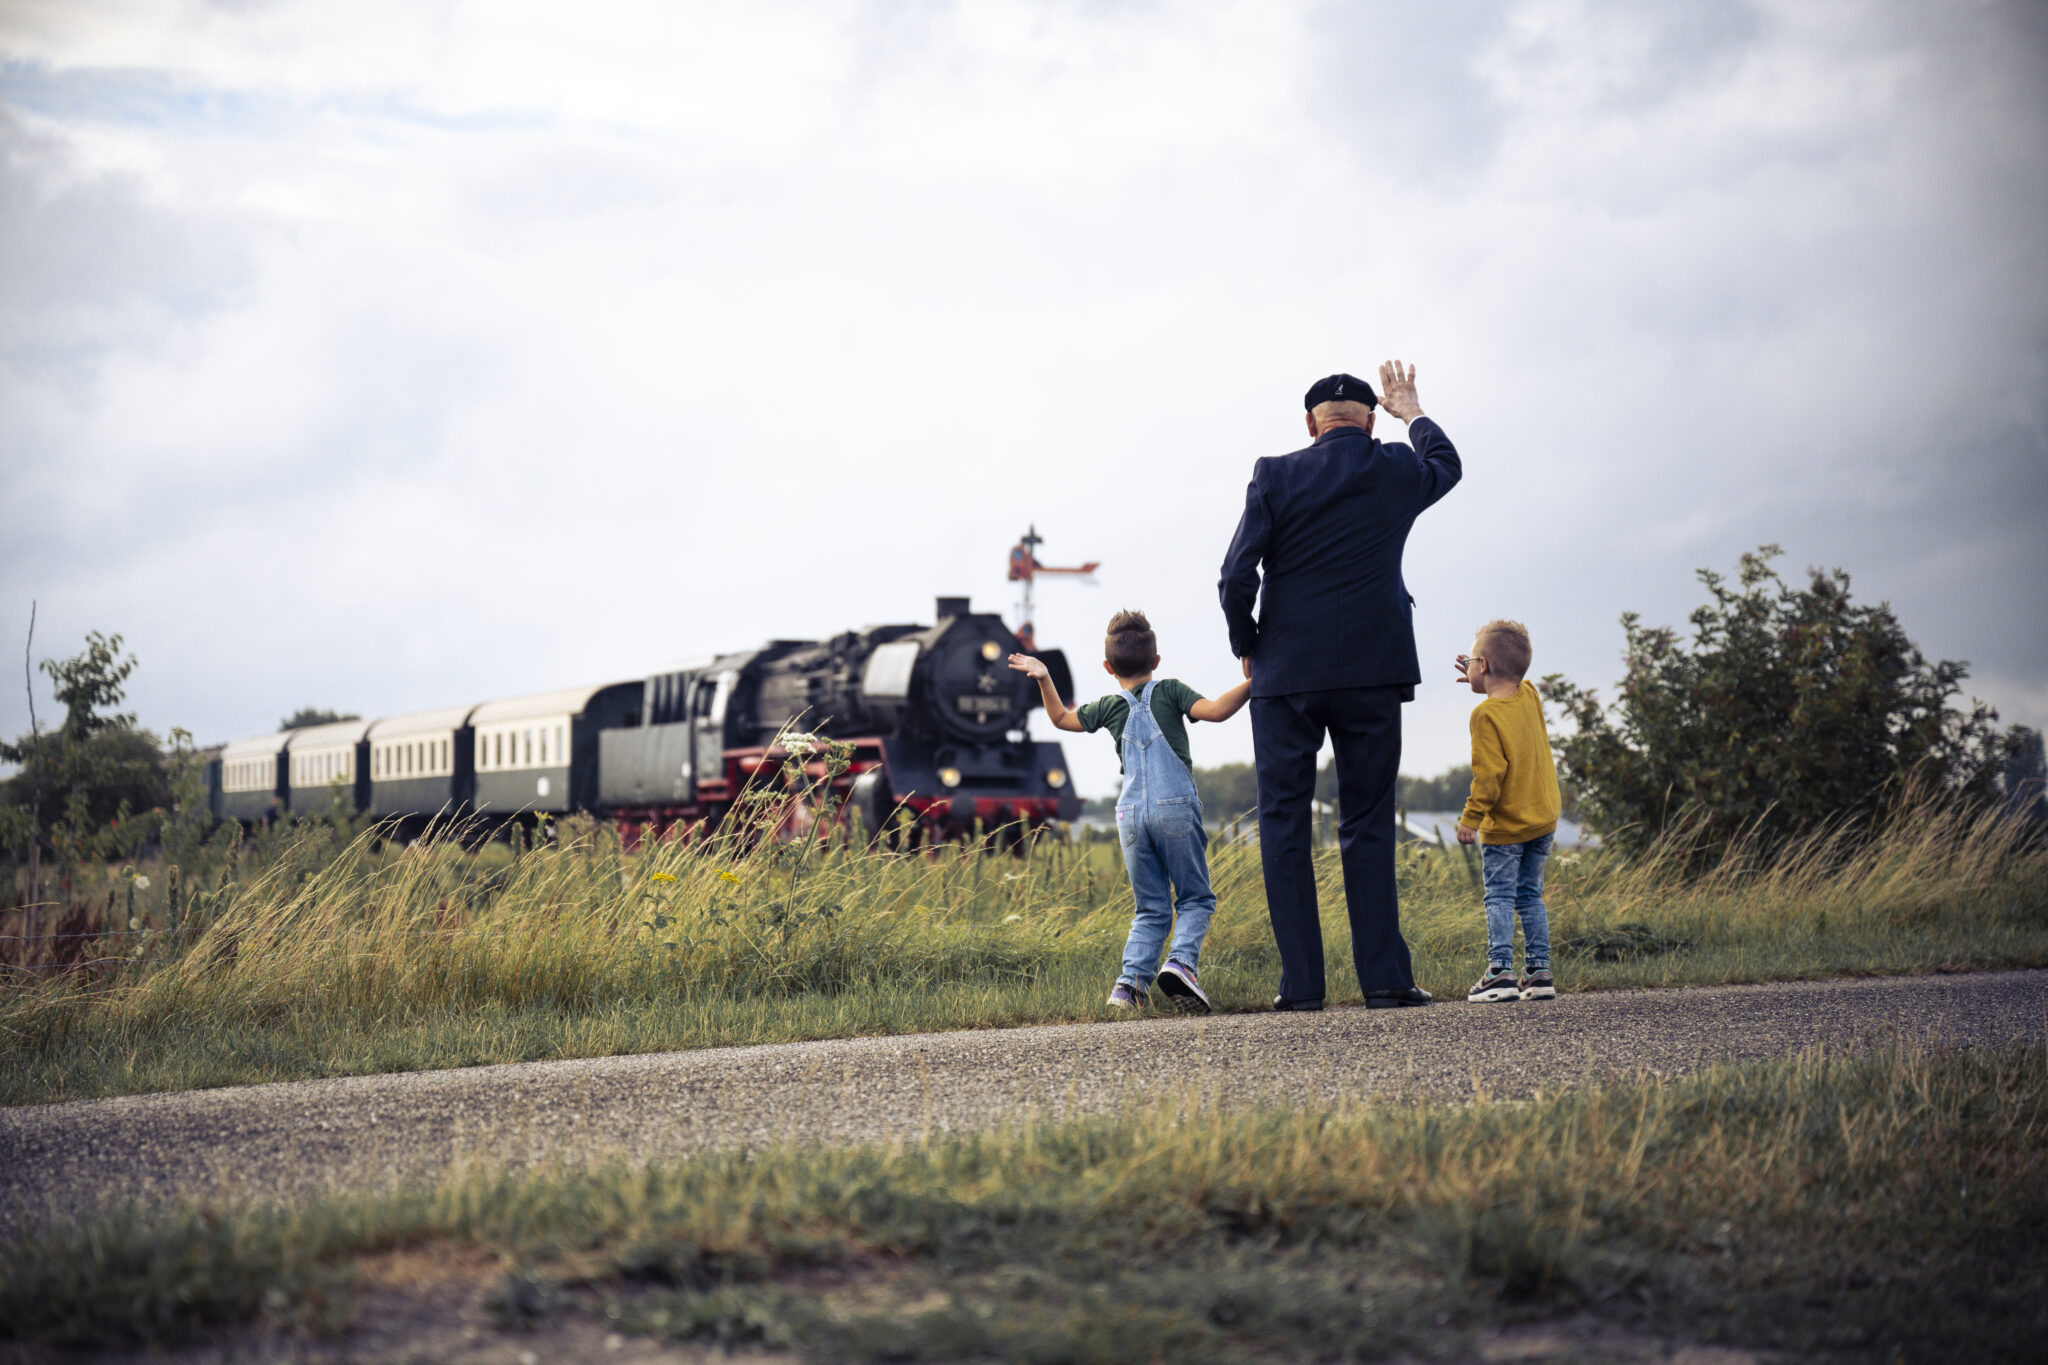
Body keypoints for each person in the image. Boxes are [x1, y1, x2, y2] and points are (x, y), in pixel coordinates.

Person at [1219, 362, 1461, 1010]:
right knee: (1368, 821)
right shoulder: (1397, 467)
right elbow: (1447, 464)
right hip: (1372, 670)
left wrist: (1248, 643)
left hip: (1286, 675)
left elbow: (1235, 574)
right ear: (1372, 422)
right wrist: (1414, 412)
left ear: (1310, 424)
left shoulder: (1273, 473)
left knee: (1283, 824)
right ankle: (1384, 980)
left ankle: (1301, 987)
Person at [1010, 610, 1251, 1012]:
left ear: (1108, 667)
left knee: (1151, 907)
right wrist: (1253, 682)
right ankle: (1180, 965)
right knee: (1195, 899)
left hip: (1130, 816)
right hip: (1174, 809)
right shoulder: (1170, 690)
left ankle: (1129, 987)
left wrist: (1044, 677)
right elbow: (1217, 711)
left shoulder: (1109, 705)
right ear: (1156, 660)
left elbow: (1060, 718)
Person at [1454, 619, 1563, 1003]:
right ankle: (1538, 973)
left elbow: (1489, 777)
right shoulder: (1530, 695)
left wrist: (1470, 820)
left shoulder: (1484, 716)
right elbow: (1510, 677)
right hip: (1543, 819)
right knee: (1530, 895)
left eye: (1472, 662)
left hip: (1507, 826)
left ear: (1484, 665)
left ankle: (1500, 972)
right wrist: (1478, 672)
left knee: (1499, 896)